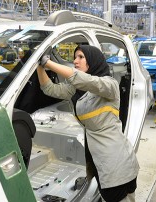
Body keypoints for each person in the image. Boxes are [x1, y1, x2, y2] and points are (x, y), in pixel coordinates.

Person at [36, 45, 139, 202]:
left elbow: (83, 79)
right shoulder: (77, 89)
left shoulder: (109, 85)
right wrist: (38, 66)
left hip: (115, 161)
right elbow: (50, 89)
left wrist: (47, 62)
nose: (75, 61)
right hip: (98, 160)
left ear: (93, 60)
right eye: (74, 57)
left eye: (81, 57)